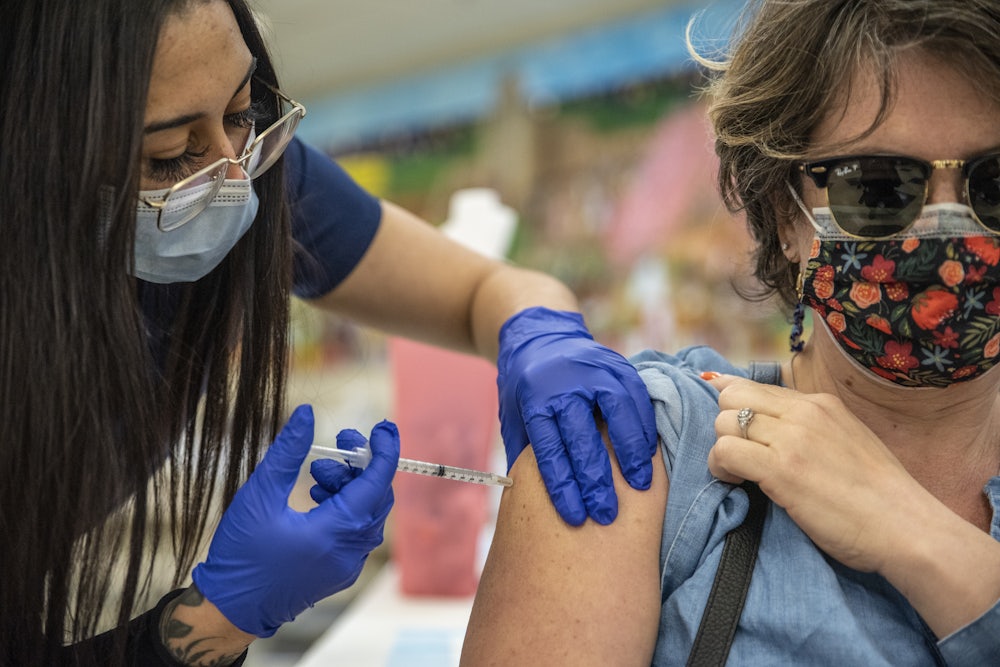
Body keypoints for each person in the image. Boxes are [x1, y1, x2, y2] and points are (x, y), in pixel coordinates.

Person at [0, 1, 659, 664]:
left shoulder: (254, 166)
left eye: (241, 111)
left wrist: (540, 330)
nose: (234, 176)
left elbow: (485, 288)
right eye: (172, 155)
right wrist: (218, 616)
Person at [461, 0, 1000, 664]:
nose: (951, 228)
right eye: (880, 187)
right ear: (784, 214)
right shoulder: (645, 448)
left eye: (995, 183)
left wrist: (921, 539)